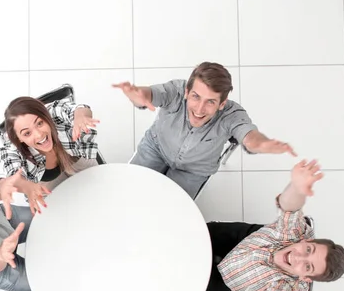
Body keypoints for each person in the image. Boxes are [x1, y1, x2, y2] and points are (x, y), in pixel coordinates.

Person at [206, 159, 344, 291]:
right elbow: (290, 208)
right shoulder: (297, 233)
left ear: (306, 278)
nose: (297, 257)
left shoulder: (293, 287)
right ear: (307, 241)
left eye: (307, 266)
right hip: (231, 242)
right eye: (308, 250)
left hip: (222, 280)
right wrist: (297, 187)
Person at [113, 61, 295, 198]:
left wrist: (261, 144)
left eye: (210, 102)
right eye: (196, 97)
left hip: (193, 170)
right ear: (186, 92)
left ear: (222, 104)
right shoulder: (175, 90)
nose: (199, 109)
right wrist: (138, 96)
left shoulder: (232, 114)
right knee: (131, 191)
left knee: (168, 211)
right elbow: (148, 94)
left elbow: (249, 136)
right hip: (156, 149)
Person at [0, 95, 100, 190]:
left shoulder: (52, 112)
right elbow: (13, 176)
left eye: (39, 123)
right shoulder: (12, 148)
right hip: (51, 190)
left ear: (46, 117)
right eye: (27, 133)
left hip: (82, 169)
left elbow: (79, 109)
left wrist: (80, 117)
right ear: (18, 138)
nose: (39, 135)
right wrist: (24, 185)